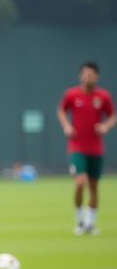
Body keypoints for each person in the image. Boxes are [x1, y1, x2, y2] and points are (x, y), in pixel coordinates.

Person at [57, 62, 114, 235]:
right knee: (81, 182)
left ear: (96, 76)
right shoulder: (72, 94)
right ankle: (80, 220)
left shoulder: (103, 96)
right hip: (77, 146)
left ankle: (91, 223)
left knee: (94, 186)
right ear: (80, 76)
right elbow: (61, 110)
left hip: (96, 148)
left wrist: (106, 126)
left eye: (91, 74)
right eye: (84, 74)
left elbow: (112, 115)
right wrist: (67, 126)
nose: (87, 77)